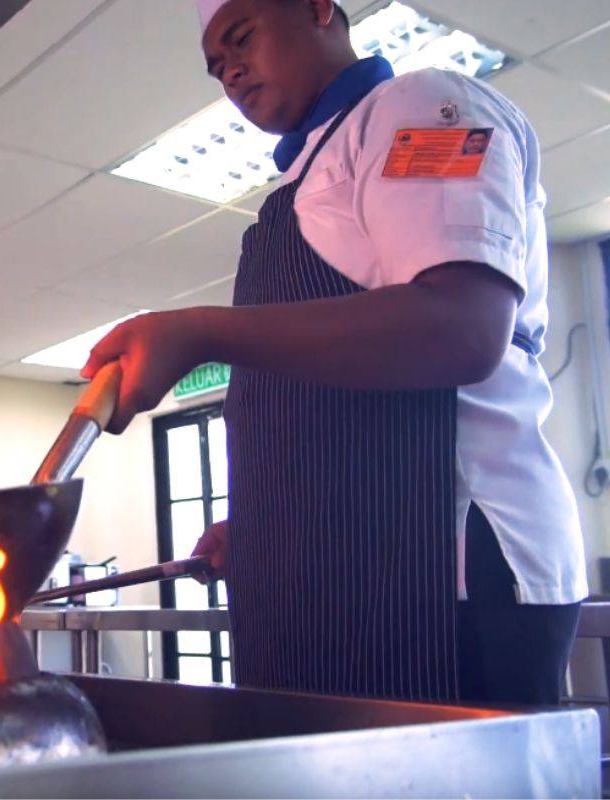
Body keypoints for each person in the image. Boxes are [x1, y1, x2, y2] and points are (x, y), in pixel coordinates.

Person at [82, 0, 587, 705]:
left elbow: (460, 328)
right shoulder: (294, 194)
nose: (229, 70)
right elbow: (332, 399)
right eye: (216, 65)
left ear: (320, 9)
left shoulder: (419, 107)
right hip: (347, 575)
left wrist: (201, 330)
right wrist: (269, 525)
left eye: (241, 37)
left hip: (454, 573)